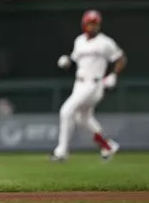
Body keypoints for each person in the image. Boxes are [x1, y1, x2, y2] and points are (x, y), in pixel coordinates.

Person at [52, 10, 126, 162]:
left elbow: (121, 59)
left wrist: (113, 75)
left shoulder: (105, 42)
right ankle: (108, 145)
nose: (92, 27)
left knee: (66, 111)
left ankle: (61, 152)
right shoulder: (79, 40)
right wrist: (67, 61)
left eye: (95, 24)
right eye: (90, 23)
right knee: (83, 118)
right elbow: (74, 58)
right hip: (79, 83)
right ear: (84, 24)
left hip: (93, 84)